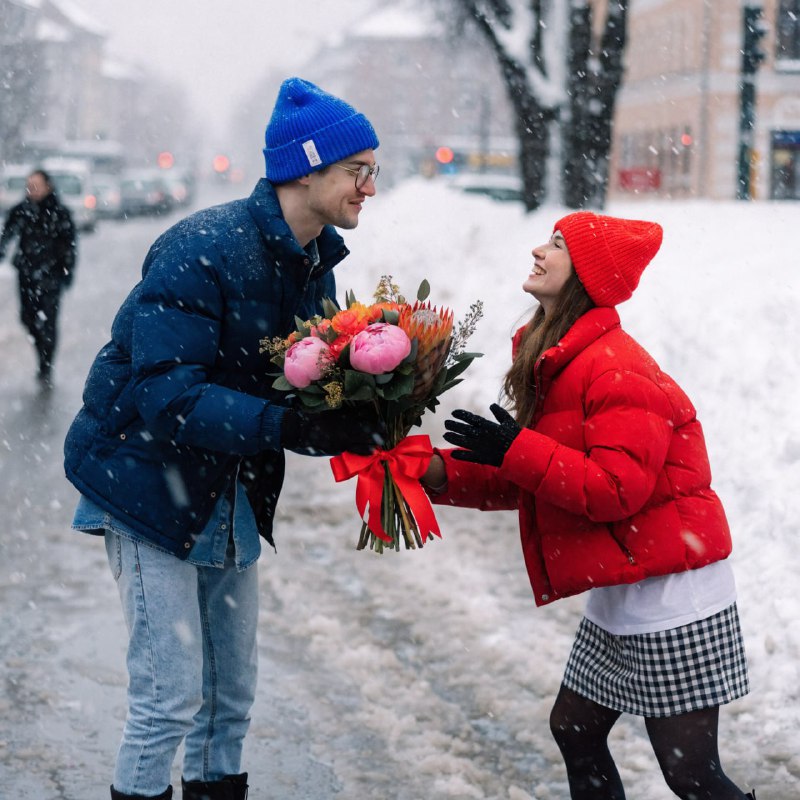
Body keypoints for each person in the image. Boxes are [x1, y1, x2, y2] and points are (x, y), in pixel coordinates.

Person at [63, 77, 385, 800]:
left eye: (373, 170)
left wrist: (353, 415)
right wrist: (288, 424)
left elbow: (297, 384)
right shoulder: (202, 248)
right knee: (168, 699)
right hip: (146, 487)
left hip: (228, 488)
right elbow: (165, 394)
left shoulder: (313, 264)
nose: (370, 187)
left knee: (229, 700)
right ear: (305, 170)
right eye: (358, 170)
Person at [423, 212, 755, 800]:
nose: (538, 251)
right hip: (627, 576)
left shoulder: (618, 367)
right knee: (574, 729)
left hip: (674, 593)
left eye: (557, 245)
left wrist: (516, 449)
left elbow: (614, 490)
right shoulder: (559, 359)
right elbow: (540, 478)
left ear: (587, 276)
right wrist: (432, 472)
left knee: (690, 774)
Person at [0, 168, 76, 387]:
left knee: (48, 322)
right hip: (26, 274)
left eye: (35, 185)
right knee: (27, 318)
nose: (31, 189)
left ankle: (46, 365)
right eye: (28, 186)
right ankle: (41, 351)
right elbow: (7, 235)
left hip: (52, 275)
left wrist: (67, 271)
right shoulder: (21, 210)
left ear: (48, 186)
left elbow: (69, 245)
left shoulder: (60, 212)